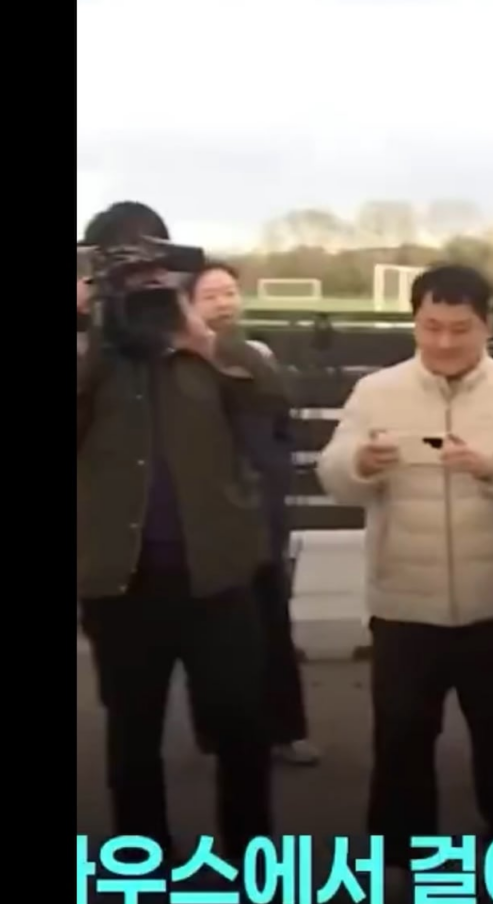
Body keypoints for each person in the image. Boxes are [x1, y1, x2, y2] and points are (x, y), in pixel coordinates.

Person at [77, 201, 286, 904]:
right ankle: (145, 884)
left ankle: (256, 875)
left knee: (243, 728)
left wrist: (198, 337)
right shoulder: (91, 354)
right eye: (119, 266)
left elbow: (270, 396)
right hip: (121, 581)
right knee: (132, 734)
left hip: (216, 575)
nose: (138, 281)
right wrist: (88, 328)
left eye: (148, 264)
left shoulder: (204, 345)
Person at [317, 263, 493, 881]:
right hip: (404, 599)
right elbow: (333, 472)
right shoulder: (377, 391)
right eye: (431, 327)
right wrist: (360, 462)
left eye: (460, 328)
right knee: (401, 734)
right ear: (414, 323)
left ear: (488, 325)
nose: (444, 342)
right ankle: (400, 855)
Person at [186, 260, 320, 767]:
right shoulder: (176, 363)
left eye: (229, 293)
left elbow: (279, 422)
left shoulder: (256, 355)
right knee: (211, 633)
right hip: (206, 516)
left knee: (270, 622)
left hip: (259, 509)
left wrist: (273, 483)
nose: (224, 304)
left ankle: (286, 730)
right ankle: (219, 734)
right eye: (210, 296)